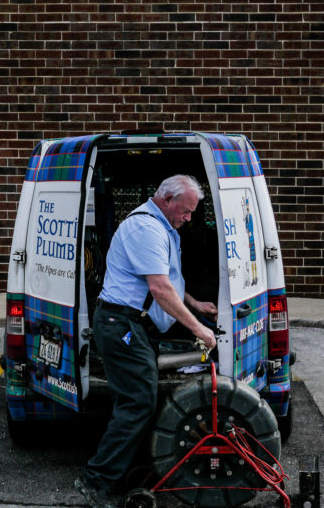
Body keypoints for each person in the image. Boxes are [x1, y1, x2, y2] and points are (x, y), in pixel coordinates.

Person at [75, 174, 219, 508]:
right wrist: (198, 329)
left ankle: (127, 468)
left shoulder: (161, 227)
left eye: (192, 213)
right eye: (185, 211)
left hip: (130, 323)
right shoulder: (146, 229)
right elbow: (159, 287)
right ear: (166, 200)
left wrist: (194, 303)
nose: (189, 218)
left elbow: (166, 277)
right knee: (138, 401)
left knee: (140, 396)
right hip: (119, 323)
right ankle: (96, 480)